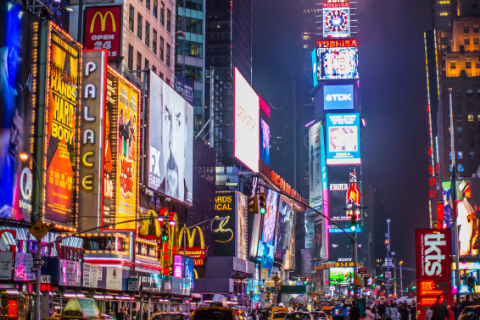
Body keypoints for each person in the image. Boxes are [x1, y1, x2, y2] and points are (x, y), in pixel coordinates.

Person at [457, 181, 477, 256]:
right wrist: (467, 218)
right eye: (468, 190)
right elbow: (457, 222)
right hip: (464, 236)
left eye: (470, 189)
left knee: (472, 257)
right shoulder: (461, 204)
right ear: (464, 192)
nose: (470, 191)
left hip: (471, 235)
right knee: (463, 257)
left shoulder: (470, 205)